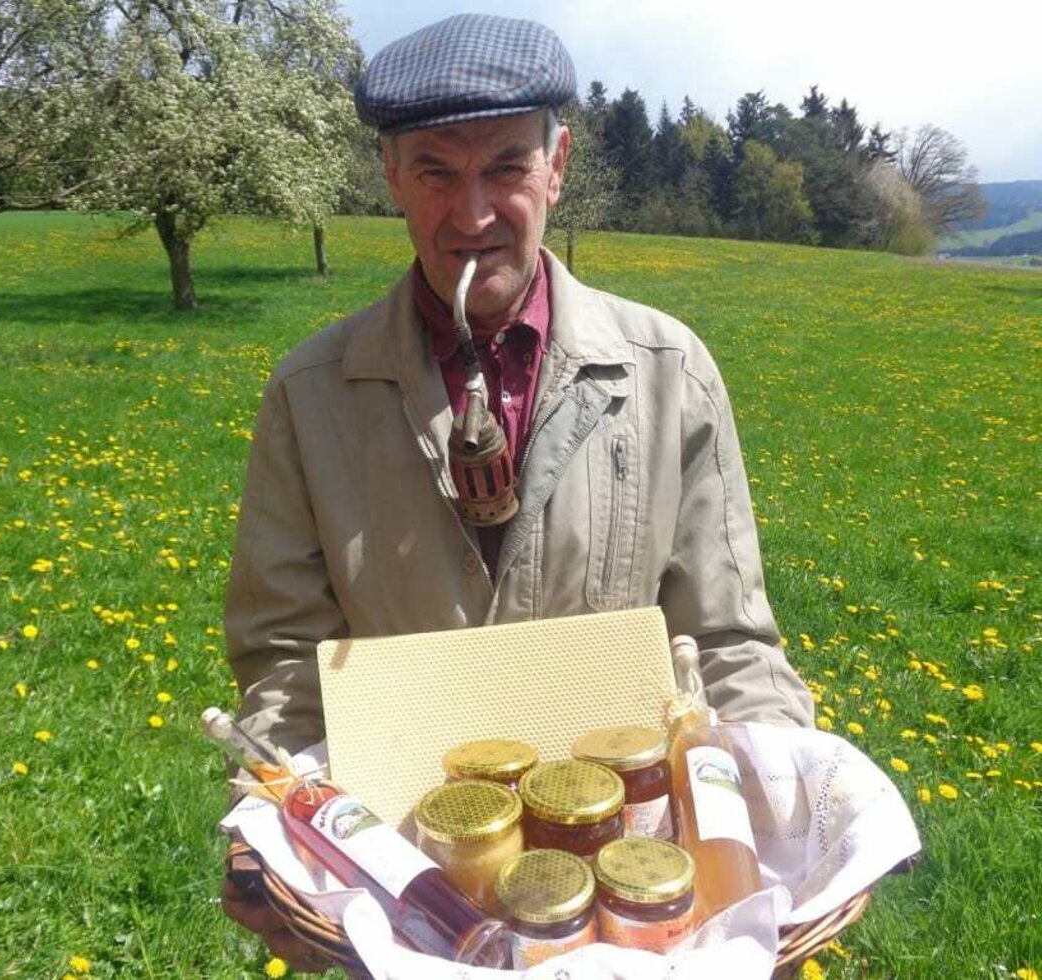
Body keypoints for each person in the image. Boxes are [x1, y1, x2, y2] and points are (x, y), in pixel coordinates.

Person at [220, 13, 814, 963]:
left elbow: (730, 640)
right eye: (435, 172)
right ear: (389, 179)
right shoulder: (309, 396)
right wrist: (304, 849)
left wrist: (774, 829)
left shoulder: (670, 373)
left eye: (505, 167)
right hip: (408, 891)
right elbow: (283, 657)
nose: (472, 215)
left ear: (559, 163)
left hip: (631, 899)